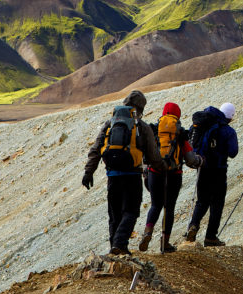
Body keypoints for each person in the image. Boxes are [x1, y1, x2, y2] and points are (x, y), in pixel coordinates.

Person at [82, 91, 163, 255]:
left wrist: (88, 172)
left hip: (112, 176)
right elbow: (153, 155)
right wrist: (163, 167)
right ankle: (120, 244)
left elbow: (96, 149)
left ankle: (115, 248)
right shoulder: (141, 126)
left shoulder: (109, 124)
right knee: (131, 211)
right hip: (132, 176)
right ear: (141, 108)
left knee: (114, 214)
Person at [140, 103, 202, 254]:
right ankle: (165, 242)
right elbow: (190, 158)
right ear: (178, 115)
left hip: (155, 173)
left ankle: (147, 232)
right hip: (174, 175)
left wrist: (145, 171)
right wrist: (200, 161)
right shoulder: (180, 133)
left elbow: (144, 154)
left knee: (156, 204)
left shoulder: (154, 130)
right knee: (169, 207)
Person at [185, 102, 239, 247]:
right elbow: (233, 152)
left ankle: (193, 226)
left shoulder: (204, 124)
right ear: (230, 116)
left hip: (202, 168)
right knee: (217, 203)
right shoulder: (228, 131)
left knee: (202, 201)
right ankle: (211, 237)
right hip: (219, 171)